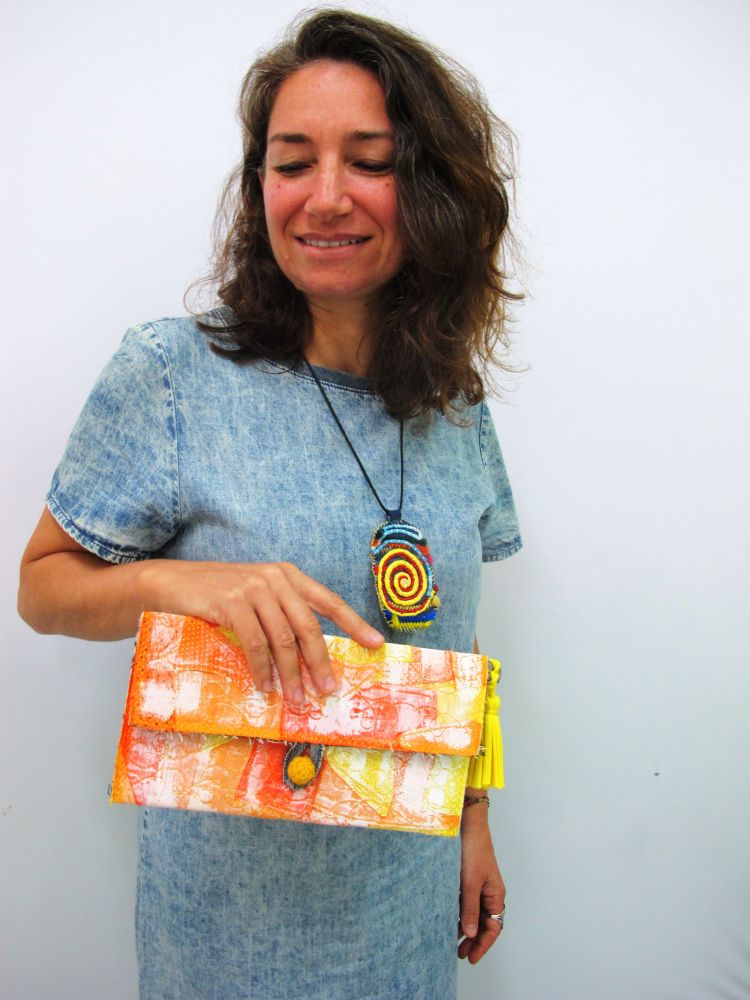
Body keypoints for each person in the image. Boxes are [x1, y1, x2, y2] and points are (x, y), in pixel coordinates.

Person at [18, 9, 522, 999]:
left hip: (408, 916)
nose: (325, 196)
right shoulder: (172, 372)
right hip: (229, 945)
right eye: (293, 162)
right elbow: (41, 588)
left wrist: (474, 815)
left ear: (431, 191)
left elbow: (451, 634)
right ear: (261, 186)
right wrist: (182, 584)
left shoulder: (456, 404)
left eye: (369, 161)